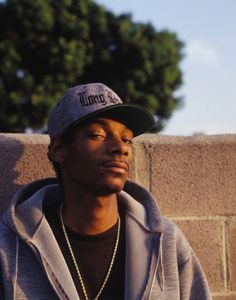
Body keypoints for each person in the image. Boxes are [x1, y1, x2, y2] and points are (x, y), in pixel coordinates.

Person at [0, 83, 212, 300]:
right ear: (59, 150)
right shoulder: (8, 247)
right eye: (98, 134)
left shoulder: (166, 240)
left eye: (126, 138)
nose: (121, 148)